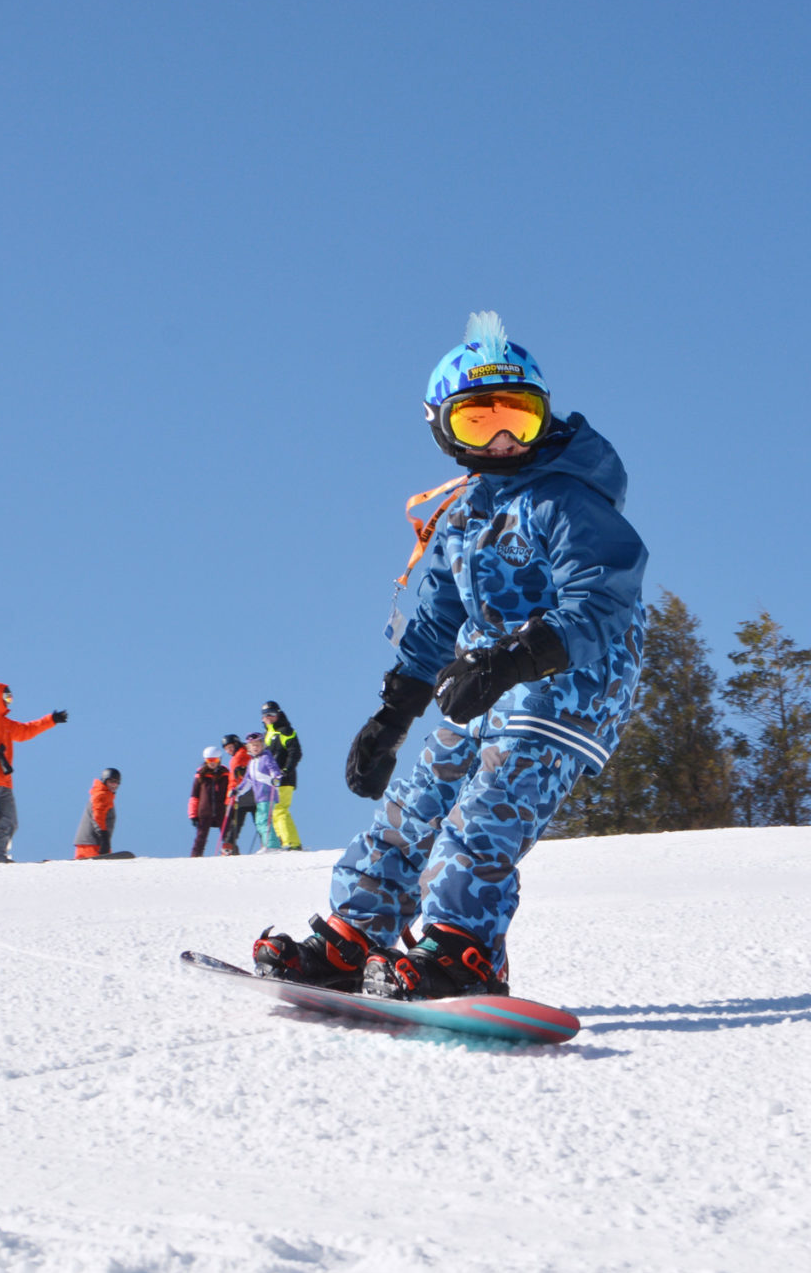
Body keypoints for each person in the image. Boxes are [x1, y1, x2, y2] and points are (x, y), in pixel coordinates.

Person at [254, 311, 647, 1000]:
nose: (499, 441)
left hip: (569, 684)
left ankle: (463, 949)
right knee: (414, 803)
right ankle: (356, 934)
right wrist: (392, 717)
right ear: (440, 427)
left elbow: (603, 599)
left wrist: (514, 661)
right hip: (486, 682)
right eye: (477, 423)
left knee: (486, 809)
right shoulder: (465, 516)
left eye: (517, 421)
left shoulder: (565, 499)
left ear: (544, 420)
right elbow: (438, 616)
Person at [0, 681, 67, 863]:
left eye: (11, 697)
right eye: (6, 696)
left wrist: (51, 720)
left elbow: (26, 731)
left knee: (9, 821)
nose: (9, 700)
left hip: (4, 780)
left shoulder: (6, 723)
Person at [260, 701, 304, 850]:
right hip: (271, 780)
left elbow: (295, 752)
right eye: (266, 715)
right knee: (273, 811)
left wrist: (286, 770)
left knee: (280, 809)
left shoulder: (285, 731)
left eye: (272, 714)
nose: (269, 717)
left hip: (284, 778)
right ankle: (282, 841)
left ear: (278, 714)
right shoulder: (267, 734)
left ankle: (292, 843)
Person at [241, 731, 284, 852]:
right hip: (259, 797)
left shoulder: (266, 757)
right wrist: (237, 791)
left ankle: (272, 845)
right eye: (252, 745)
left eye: (258, 744)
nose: (255, 747)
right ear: (248, 747)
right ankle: (269, 844)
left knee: (264, 820)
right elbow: (247, 781)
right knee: (259, 821)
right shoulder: (251, 763)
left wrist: (275, 778)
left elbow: (273, 769)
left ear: (262, 745)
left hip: (267, 793)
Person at [189, 747, 231, 856]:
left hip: (222, 810)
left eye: (215, 760)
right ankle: (196, 856)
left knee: (228, 835)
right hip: (204, 811)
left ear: (220, 760)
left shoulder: (225, 774)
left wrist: (231, 807)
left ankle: (231, 855)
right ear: (205, 761)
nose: (212, 763)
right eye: (209, 761)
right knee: (201, 836)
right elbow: (194, 796)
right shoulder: (201, 775)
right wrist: (193, 814)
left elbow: (231, 790)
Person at [75, 768, 122, 858]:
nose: (114, 785)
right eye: (111, 781)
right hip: (92, 844)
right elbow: (97, 816)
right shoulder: (102, 795)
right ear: (104, 781)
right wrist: (104, 837)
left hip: (92, 842)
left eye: (117, 782)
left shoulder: (105, 795)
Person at [219, 734, 251, 856]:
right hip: (238, 793)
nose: (229, 750)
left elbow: (244, 774)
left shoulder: (241, 755)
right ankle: (230, 846)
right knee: (237, 822)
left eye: (231, 747)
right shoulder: (238, 756)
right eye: (227, 749)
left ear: (236, 744)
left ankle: (229, 846)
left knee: (237, 822)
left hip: (243, 793)